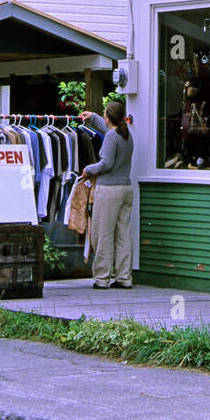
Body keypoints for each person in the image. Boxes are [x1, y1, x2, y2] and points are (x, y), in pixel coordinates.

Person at [79, 102, 134, 289]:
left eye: (104, 115)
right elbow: (107, 129)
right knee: (122, 235)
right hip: (126, 188)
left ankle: (102, 278)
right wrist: (92, 117)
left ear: (110, 118)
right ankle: (124, 277)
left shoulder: (112, 137)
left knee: (102, 234)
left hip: (109, 190)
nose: (103, 118)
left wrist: (88, 169)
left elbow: (106, 164)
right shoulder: (126, 134)